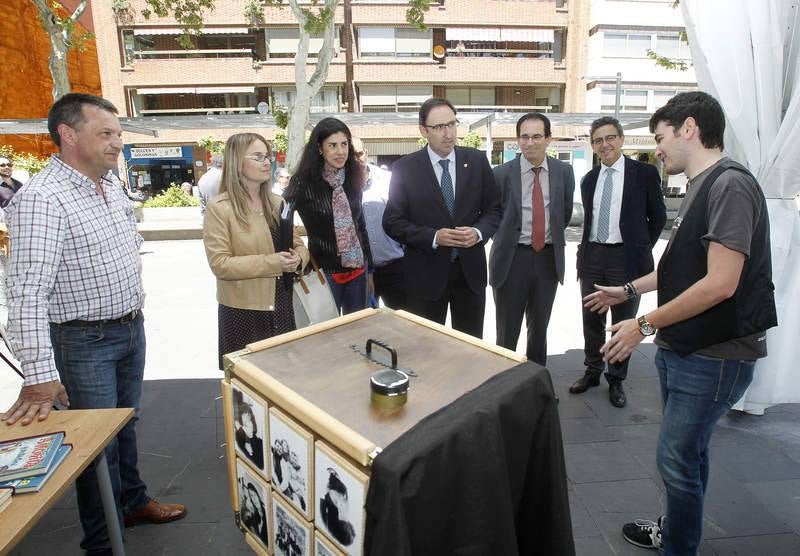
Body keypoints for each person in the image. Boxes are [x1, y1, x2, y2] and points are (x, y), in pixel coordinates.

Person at [583, 91, 778, 554]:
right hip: (688, 349)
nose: (658, 148)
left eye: (660, 137)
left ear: (688, 128)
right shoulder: (700, 184)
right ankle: (677, 532)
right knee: (687, 455)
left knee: (676, 458)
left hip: (714, 355)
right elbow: (678, 267)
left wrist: (642, 325)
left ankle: (678, 545)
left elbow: (720, 284)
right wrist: (628, 291)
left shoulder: (729, 186)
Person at [1, 93, 186, 554]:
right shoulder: (43, 199)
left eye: (118, 135)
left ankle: (131, 502)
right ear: (67, 134)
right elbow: (25, 293)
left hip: (128, 328)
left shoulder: (107, 185)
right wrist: (40, 375)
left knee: (125, 426)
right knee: (94, 449)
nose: (116, 143)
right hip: (84, 340)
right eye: (105, 133)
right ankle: (105, 544)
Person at [383, 98, 501, 338]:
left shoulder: (476, 161)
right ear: (423, 130)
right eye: (439, 127)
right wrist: (434, 236)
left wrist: (478, 233)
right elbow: (392, 222)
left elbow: (494, 210)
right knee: (426, 350)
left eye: (452, 124)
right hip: (425, 278)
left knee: (469, 349)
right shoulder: (405, 168)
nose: (448, 134)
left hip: (470, 276)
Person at [570, 116, 666, 407]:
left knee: (624, 321)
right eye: (598, 140)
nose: (605, 144)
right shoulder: (588, 180)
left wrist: (639, 248)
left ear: (621, 139)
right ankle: (592, 370)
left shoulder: (644, 174)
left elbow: (658, 216)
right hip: (593, 257)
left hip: (627, 258)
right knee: (591, 319)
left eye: (610, 137)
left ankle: (616, 379)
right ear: (593, 146)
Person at [203, 133, 308, 369]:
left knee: (284, 379)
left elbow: (298, 244)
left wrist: (297, 259)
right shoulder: (219, 208)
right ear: (237, 161)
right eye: (258, 157)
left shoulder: (277, 202)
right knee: (247, 392)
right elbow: (220, 264)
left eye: (268, 156)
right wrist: (275, 263)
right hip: (243, 310)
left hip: (282, 303)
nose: (267, 162)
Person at [489, 112, 575, 365]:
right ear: (518, 140)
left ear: (548, 139)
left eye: (537, 136)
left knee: (539, 330)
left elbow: (565, 212)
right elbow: (493, 216)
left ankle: (536, 387)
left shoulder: (564, 172)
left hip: (547, 259)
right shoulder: (501, 174)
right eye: (524, 137)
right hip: (511, 259)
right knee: (507, 331)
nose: (530, 142)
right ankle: (504, 386)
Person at [284, 117, 372, 315]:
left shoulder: (354, 176)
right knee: (327, 335)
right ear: (319, 148)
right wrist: (296, 250)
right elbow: (280, 217)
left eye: (344, 144)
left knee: (356, 331)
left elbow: (360, 225)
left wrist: (371, 269)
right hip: (324, 274)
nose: (340, 151)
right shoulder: (303, 182)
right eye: (332, 145)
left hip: (358, 270)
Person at [351, 137, 406, 310]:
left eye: (359, 154)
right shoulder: (339, 187)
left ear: (366, 154)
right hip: (361, 272)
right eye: (351, 155)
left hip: (395, 267)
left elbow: (406, 216)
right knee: (366, 327)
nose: (356, 159)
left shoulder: (389, 180)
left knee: (402, 326)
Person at [234, 400, 264, 471]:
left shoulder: (259, 442)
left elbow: (261, 465)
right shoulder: (239, 439)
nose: (250, 423)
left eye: (250, 418)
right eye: (246, 422)